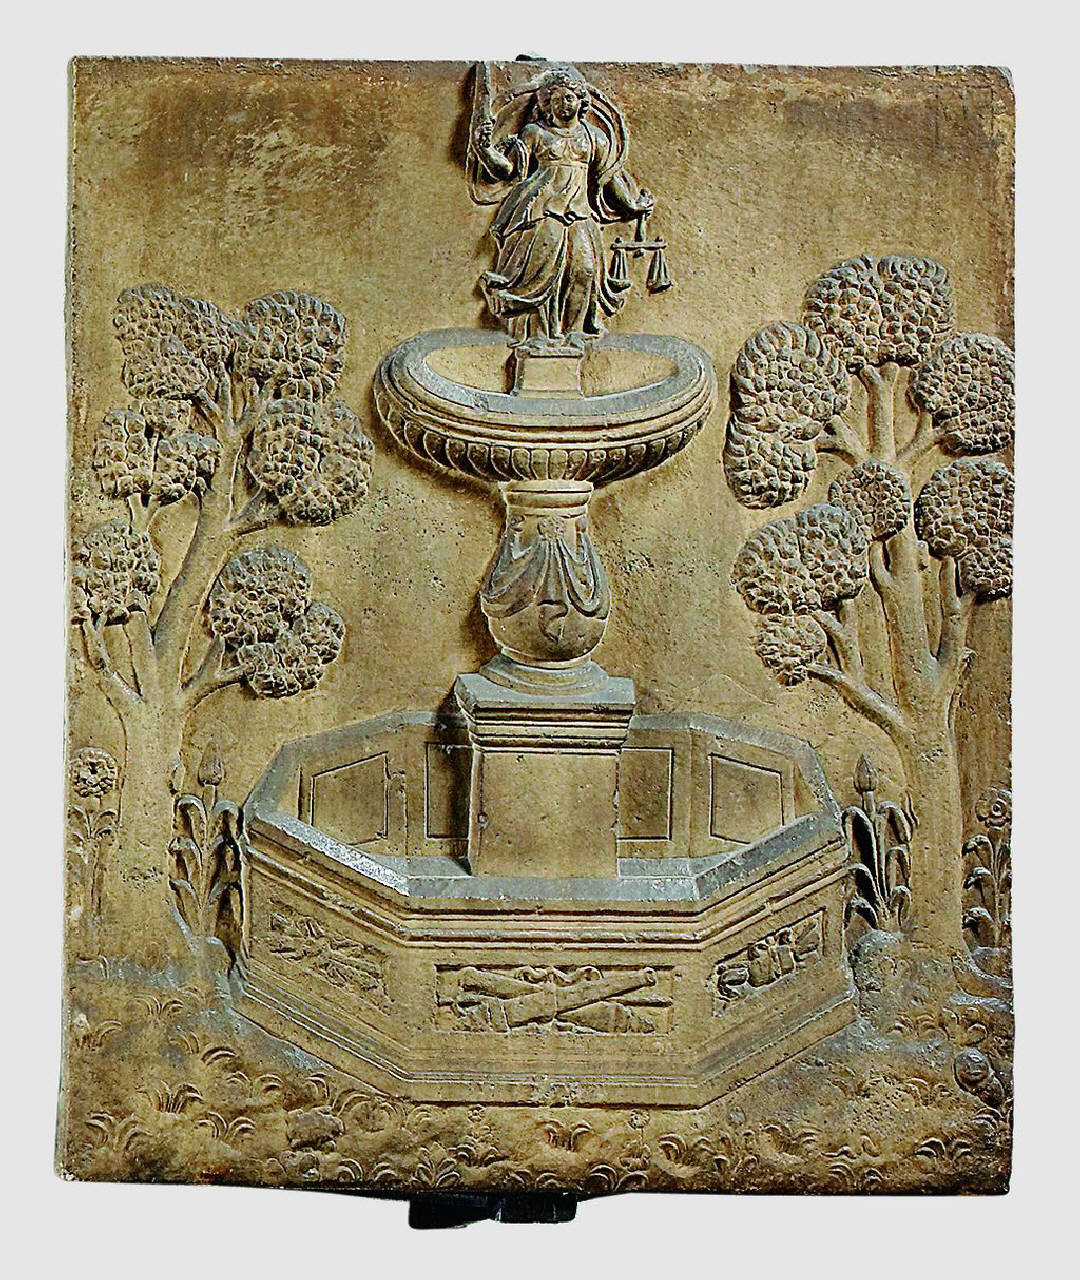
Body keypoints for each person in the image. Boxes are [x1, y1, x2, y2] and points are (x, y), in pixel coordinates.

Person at [473, 69, 655, 345]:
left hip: (580, 212)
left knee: (585, 270)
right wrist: (485, 151)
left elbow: (609, 179)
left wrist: (632, 205)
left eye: (569, 98)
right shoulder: (535, 132)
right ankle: (540, 335)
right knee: (541, 274)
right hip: (540, 211)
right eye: (556, 99)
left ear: (581, 101)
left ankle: (575, 332)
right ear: (547, 104)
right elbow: (508, 170)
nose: (564, 104)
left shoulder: (594, 137)